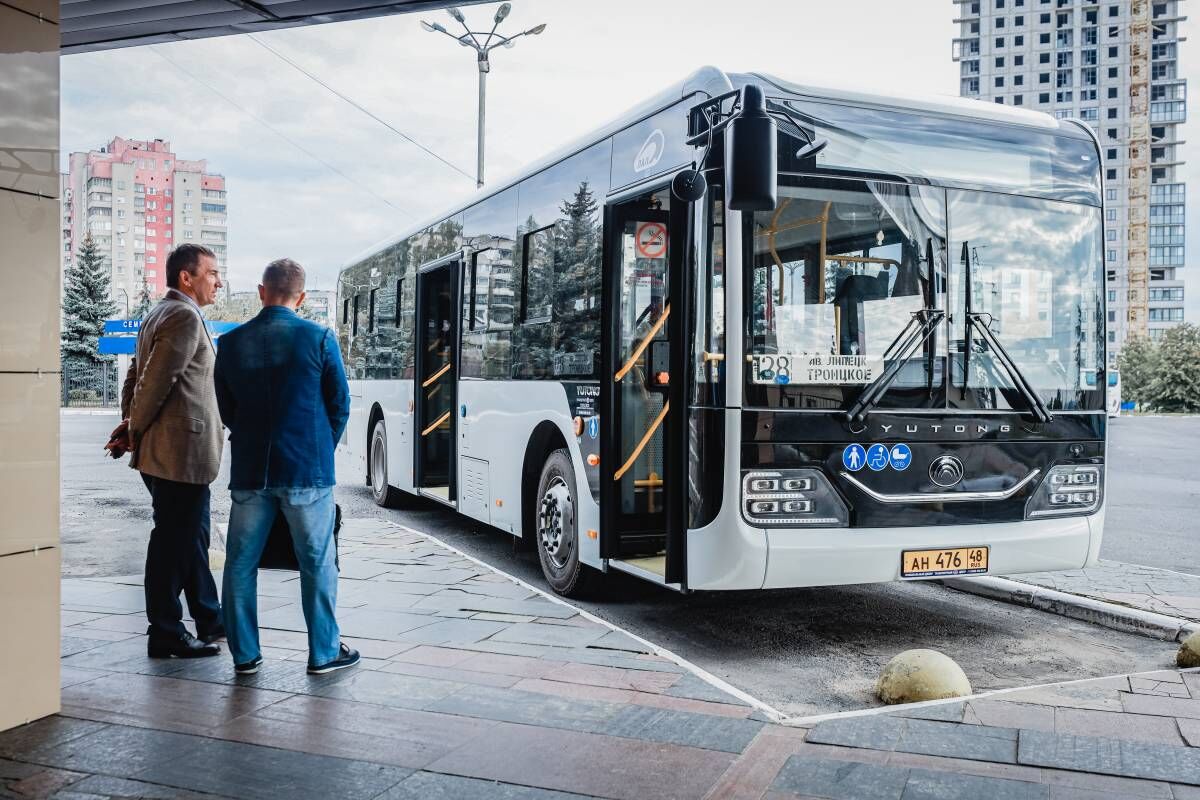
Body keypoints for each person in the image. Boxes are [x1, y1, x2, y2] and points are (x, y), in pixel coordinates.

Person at [214, 258, 355, 675]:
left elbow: (228, 410)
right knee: (317, 562)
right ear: (302, 297)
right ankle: (324, 653)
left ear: (261, 292)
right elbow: (340, 404)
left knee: (240, 562)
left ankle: (245, 655)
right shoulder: (319, 338)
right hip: (306, 472)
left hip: (251, 471)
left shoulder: (232, 343)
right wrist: (318, 447)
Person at [119, 243, 225, 659]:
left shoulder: (159, 313)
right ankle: (164, 630)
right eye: (212, 273)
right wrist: (132, 428)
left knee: (192, 536)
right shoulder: (182, 315)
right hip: (179, 452)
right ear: (187, 276)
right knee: (171, 542)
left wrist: (130, 423)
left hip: (168, 450)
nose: (218, 281)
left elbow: (134, 375)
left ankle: (209, 617)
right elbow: (155, 381)